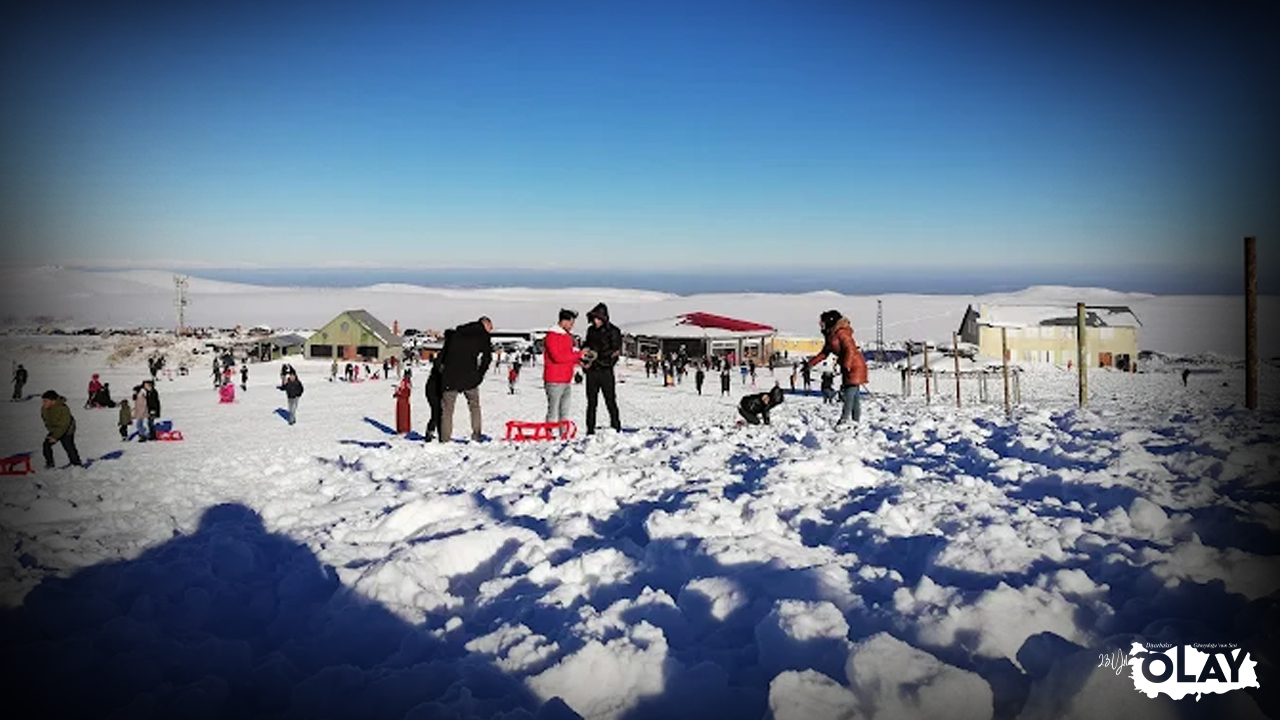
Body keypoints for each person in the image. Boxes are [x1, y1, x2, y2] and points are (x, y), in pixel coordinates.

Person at [807, 310, 869, 426]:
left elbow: (850, 349)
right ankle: (856, 421)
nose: (821, 324)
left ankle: (844, 419)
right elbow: (824, 353)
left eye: (823, 322)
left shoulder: (841, 333)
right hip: (849, 365)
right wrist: (810, 364)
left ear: (830, 321)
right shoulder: (831, 335)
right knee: (854, 395)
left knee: (849, 393)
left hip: (854, 365)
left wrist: (846, 365)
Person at [440, 317, 493, 442]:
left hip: (450, 376)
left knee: (447, 410)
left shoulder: (456, 333)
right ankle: (476, 435)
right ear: (486, 324)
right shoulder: (482, 336)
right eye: (491, 327)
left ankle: (445, 439)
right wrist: (480, 375)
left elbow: (444, 355)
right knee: (474, 407)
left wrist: (442, 371)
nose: (491, 330)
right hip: (470, 377)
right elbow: (487, 358)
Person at [583, 303, 622, 435]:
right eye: (593, 318)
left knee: (610, 400)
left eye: (598, 318)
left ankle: (616, 426)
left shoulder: (613, 331)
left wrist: (599, 356)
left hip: (606, 370)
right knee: (591, 402)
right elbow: (586, 345)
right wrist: (585, 357)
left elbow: (615, 352)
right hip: (592, 371)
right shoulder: (591, 330)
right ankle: (590, 429)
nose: (595, 321)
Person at [543, 309, 583, 436]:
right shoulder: (552, 336)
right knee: (553, 410)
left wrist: (580, 360)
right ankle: (549, 434)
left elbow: (568, 356)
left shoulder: (567, 336)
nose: (572, 326)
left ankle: (563, 435)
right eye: (571, 323)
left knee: (564, 411)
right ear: (564, 321)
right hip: (554, 379)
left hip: (566, 379)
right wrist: (578, 354)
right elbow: (558, 357)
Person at [40, 390, 82, 468]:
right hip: (55, 430)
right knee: (46, 445)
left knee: (69, 447)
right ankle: (50, 464)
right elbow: (46, 421)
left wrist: (55, 437)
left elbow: (64, 425)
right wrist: (52, 433)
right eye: (43, 401)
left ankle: (77, 465)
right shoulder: (44, 408)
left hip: (67, 430)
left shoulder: (63, 408)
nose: (44, 403)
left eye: (46, 401)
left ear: (53, 401)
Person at [424, 346, 446, 441]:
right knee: (436, 412)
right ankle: (433, 432)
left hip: (436, 389)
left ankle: (436, 433)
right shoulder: (440, 364)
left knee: (438, 412)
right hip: (433, 390)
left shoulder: (441, 362)